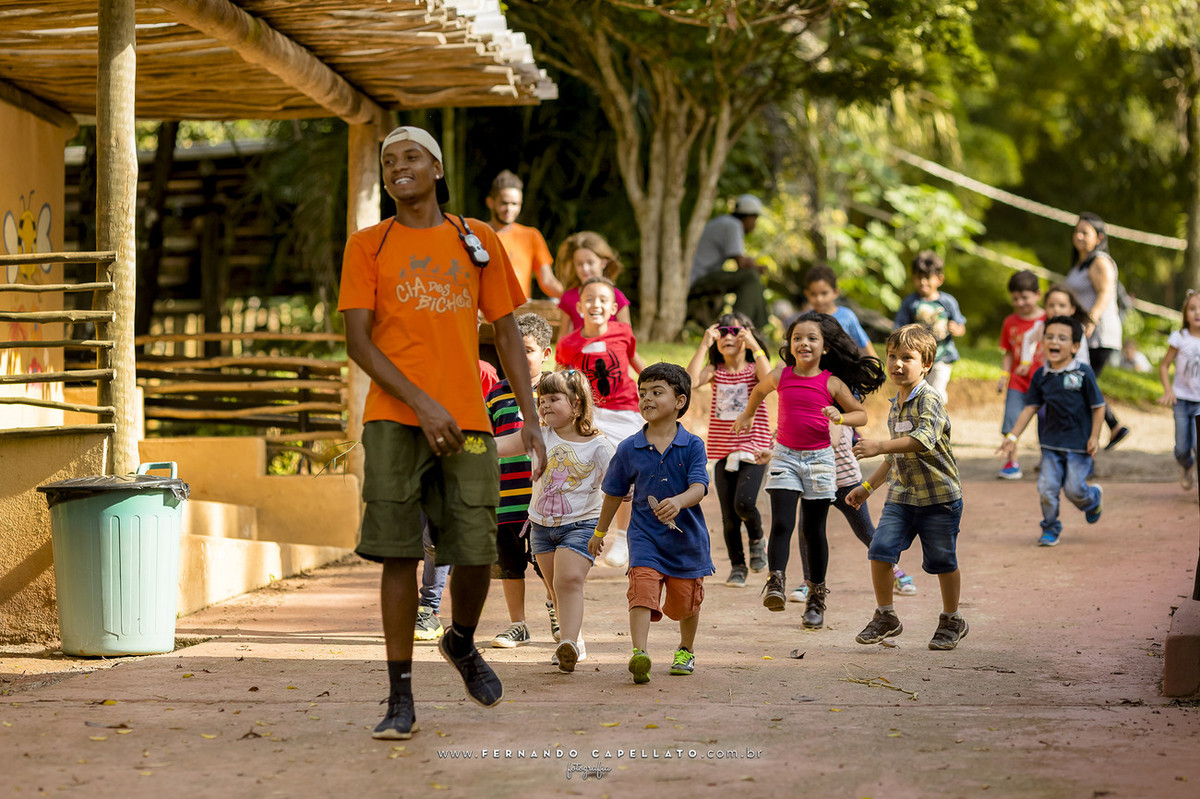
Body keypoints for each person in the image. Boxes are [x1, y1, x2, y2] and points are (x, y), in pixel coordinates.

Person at [339, 125, 545, 741]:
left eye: (410, 157)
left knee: (477, 547)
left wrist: (531, 416)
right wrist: (423, 405)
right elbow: (358, 341)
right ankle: (399, 694)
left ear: (436, 168)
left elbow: (507, 331)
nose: (397, 167)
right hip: (394, 420)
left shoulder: (476, 238)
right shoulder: (367, 245)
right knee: (401, 550)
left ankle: (460, 641)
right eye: (388, 161)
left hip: (472, 420)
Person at [733, 311, 885, 629]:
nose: (803, 343)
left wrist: (840, 417)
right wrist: (748, 414)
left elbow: (862, 415)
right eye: (797, 337)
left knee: (813, 531)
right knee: (783, 522)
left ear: (825, 347)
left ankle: (816, 598)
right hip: (785, 456)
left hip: (819, 460)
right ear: (790, 344)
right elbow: (759, 391)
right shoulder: (781, 375)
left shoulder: (831, 382)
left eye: (812, 338)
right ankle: (776, 582)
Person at [589, 362, 712, 683]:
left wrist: (679, 501)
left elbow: (699, 486)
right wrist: (601, 532)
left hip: (687, 540)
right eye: (642, 393)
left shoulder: (694, 445)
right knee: (641, 589)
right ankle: (639, 653)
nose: (647, 399)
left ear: (680, 401)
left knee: (686, 603)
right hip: (644, 537)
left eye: (657, 392)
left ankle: (686, 649)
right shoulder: (629, 448)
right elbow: (613, 493)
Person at [847, 325, 968, 651]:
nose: (897, 364)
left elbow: (920, 442)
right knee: (880, 550)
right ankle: (886, 615)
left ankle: (952, 618)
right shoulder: (896, 402)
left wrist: (879, 446)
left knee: (943, 561)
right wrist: (868, 486)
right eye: (892, 356)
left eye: (907, 358)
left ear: (926, 364)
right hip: (902, 496)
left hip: (939, 497)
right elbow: (897, 454)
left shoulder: (930, 400)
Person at [528, 369, 616, 672]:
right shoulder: (539, 436)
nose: (545, 405)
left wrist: (604, 529)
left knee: (568, 581)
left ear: (577, 405)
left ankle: (566, 645)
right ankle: (574, 639)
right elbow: (503, 445)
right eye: (542, 400)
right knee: (554, 589)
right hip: (541, 527)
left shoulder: (599, 446)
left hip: (581, 525)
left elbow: (620, 486)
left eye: (554, 398)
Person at [556, 276, 646, 567]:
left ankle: (622, 537)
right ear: (580, 307)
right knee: (585, 474)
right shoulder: (569, 343)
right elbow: (561, 377)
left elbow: (634, 361)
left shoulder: (623, 333)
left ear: (613, 307)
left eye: (603, 300)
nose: (596, 304)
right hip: (590, 414)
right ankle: (582, 533)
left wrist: (659, 381)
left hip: (625, 413)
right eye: (590, 299)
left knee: (627, 474)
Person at [997, 316, 1105, 547]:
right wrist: (1012, 436)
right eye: (1050, 337)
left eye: (1062, 338)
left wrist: (1095, 436)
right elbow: (1030, 408)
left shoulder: (1084, 373)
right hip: (1050, 445)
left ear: (1075, 346)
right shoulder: (1041, 376)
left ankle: (1092, 498)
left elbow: (1099, 407)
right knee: (1047, 489)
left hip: (1079, 445)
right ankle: (1050, 527)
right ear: (1042, 342)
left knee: (1075, 491)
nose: (1054, 341)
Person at [685, 311, 773, 587]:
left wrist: (755, 346)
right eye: (722, 333)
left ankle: (758, 538)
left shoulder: (753, 371)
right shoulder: (715, 371)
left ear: (746, 335)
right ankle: (738, 567)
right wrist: (703, 344)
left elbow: (770, 379)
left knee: (744, 503)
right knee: (728, 516)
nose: (728, 338)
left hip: (754, 448)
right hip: (722, 450)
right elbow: (688, 382)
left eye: (735, 332)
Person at [487, 314, 559, 648]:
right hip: (506, 498)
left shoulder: (557, 393)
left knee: (550, 563)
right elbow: (487, 442)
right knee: (509, 564)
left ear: (545, 353)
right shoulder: (495, 395)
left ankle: (558, 610)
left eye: (527, 350)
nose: (517, 357)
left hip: (547, 499)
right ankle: (519, 624)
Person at [1064, 212, 1131, 449]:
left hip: (1098, 335)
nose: (1079, 236)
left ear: (1099, 237)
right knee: (1085, 383)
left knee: (1082, 383)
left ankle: (1098, 433)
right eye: (1077, 231)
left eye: (1085, 232)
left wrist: (1090, 322)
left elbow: (1105, 293)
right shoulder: (1080, 265)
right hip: (1084, 334)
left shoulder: (1100, 261)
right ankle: (1113, 426)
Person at [893, 250, 966, 403]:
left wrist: (956, 328)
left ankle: (937, 421)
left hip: (942, 356)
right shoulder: (910, 303)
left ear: (939, 279)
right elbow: (899, 328)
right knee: (916, 392)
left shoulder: (948, 302)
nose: (923, 282)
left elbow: (961, 326)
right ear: (913, 278)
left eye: (927, 278)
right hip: (916, 358)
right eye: (919, 278)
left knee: (937, 391)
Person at [688, 194, 769, 329]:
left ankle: (755, 328)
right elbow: (741, 264)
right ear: (748, 216)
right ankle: (738, 326)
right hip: (699, 276)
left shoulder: (724, 221)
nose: (754, 224)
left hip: (703, 275)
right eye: (755, 219)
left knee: (752, 278)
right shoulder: (733, 225)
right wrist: (755, 266)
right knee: (751, 277)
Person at [996, 270, 1044, 480]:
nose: (1020, 302)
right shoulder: (1009, 322)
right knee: (1011, 420)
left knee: (1047, 422)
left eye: (1025, 297)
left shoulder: (1047, 319)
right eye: (1016, 298)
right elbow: (1008, 351)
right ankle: (1011, 461)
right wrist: (1004, 374)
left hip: (1043, 381)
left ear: (1038, 295)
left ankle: (1048, 459)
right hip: (1018, 380)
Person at [486, 170, 562, 300]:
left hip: (519, 313)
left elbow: (547, 281)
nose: (509, 209)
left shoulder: (531, 235)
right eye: (504, 203)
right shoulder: (476, 234)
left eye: (514, 204)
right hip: (483, 311)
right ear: (490, 202)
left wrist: (576, 297)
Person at [1157, 290, 1200, 490]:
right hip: (1181, 401)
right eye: (1192, 309)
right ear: (1185, 313)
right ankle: (1186, 466)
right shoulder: (1179, 337)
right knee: (1182, 449)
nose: (1197, 313)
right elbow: (1164, 366)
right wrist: (1168, 391)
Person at [553, 232, 632, 331]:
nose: (585, 269)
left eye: (590, 262)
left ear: (603, 263)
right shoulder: (568, 298)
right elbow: (563, 336)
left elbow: (627, 335)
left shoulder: (617, 297)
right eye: (579, 264)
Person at [802, 264, 877, 358]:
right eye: (813, 294)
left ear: (835, 293)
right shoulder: (805, 321)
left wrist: (876, 369)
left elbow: (865, 347)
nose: (819, 299)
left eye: (824, 293)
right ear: (806, 294)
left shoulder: (847, 316)